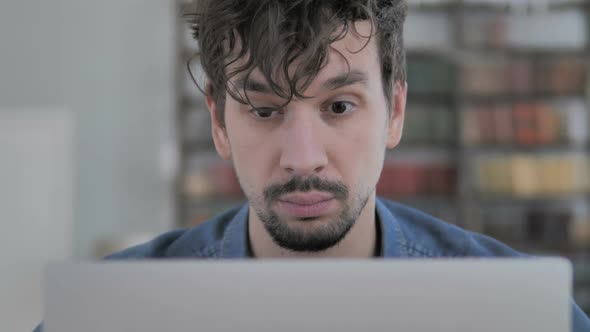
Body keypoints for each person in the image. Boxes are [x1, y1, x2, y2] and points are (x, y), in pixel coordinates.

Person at [34, 0, 590, 331]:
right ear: (219, 123)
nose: (303, 158)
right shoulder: (108, 317)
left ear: (394, 111)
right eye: (264, 109)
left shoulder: (520, 314)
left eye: (339, 106)